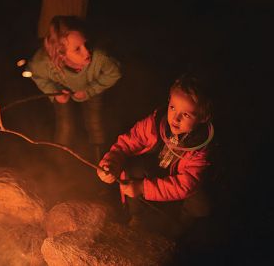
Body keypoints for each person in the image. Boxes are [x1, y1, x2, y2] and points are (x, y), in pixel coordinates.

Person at [96, 73, 215, 239]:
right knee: (132, 168)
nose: (175, 118)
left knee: (201, 206)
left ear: (203, 117)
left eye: (186, 114)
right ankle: (135, 216)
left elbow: (186, 184)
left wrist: (144, 188)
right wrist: (111, 163)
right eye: (173, 107)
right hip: (150, 171)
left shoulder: (200, 148)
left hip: (174, 183)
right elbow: (126, 144)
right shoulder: (155, 123)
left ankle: (180, 229)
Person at [28, 15, 121, 162]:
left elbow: (114, 73)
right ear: (61, 55)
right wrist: (54, 92)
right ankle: (59, 165)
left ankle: (101, 162)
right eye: (77, 49)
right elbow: (37, 75)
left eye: (86, 44)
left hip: (92, 87)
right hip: (62, 90)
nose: (86, 52)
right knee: (65, 125)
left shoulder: (100, 57)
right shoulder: (45, 63)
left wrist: (89, 91)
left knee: (94, 122)